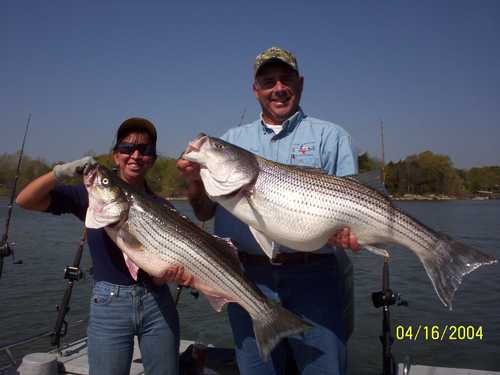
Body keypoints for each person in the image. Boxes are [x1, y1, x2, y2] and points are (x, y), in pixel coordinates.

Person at [177, 47, 359, 375]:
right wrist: (193, 182)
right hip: (247, 277)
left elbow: (354, 207)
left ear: (300, 83)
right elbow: (204, 212)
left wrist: (352, 232)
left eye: (285, 79)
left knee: (324, 369)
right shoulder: (232, 140)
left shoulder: (330, 137)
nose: (278, 88)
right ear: (255, 90)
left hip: (315, 277)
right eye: (268, 81)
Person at [16, 118, 180, 375]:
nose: (135, 155)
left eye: (145, 150)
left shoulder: (164, 207)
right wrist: (59, 172)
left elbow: (165, 268)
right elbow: (25, 200)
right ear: (116, 156)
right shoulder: (91, 195)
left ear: (153, 159)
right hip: (109, 306)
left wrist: (166, 277)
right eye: (127, 148)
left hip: (157, 304)